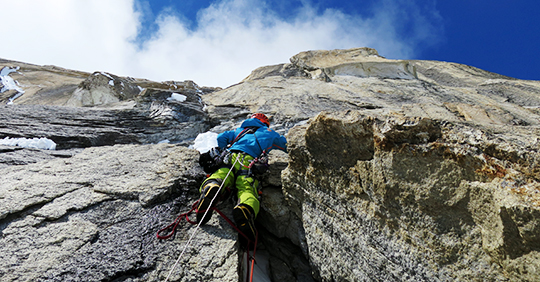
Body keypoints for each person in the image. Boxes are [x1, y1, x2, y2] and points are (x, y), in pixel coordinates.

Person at [196, 113, 287, 244]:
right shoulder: (270, 133)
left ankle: (212, 187)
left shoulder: (239, 130)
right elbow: (286, 145)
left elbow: (221, 137)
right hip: (249, 161)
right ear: (265, 123)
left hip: (229, 157)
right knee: (247, 187)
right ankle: (245, 207)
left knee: (220, 175)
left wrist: (224, 148)